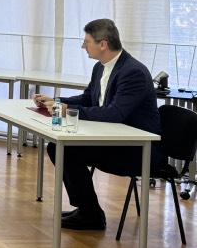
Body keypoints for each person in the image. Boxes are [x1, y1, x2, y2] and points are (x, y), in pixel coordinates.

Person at [33, 18, 162, 231]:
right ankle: (89, 210)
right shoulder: (100, 68)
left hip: (136, 150)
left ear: (103, 44)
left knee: (66, 150)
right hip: (113, 141)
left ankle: (90, 214)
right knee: (59, 147)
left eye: (87, 41)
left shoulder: (133, 72)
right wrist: (56, 102)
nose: (83, 46)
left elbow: (115, 113)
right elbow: (88, 99)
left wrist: (67, 109)